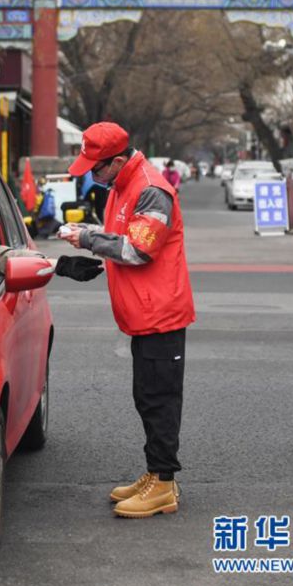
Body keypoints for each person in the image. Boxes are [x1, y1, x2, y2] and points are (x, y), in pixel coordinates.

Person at [60, 121, 196, 519]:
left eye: (95, 169)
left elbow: (139, 249)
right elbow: (119, 233)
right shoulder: (122, 185)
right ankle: (155, 473)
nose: (91, 175)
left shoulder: (151, 189)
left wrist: (87, 240)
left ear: (118, 161)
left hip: (160, 314)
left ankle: (164, 484)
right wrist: (89, 231)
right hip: (143, 313)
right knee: (147, 397)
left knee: (159, 400)